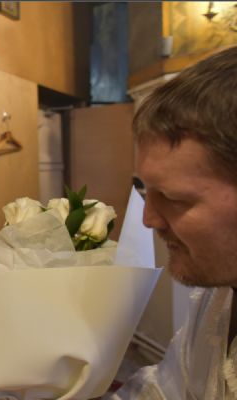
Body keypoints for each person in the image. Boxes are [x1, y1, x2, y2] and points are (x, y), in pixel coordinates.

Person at [109, 45, 237, 398]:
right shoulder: (216, 300)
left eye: (175, 198)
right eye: (145, 189)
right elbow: (166, 390)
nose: (149, 219)